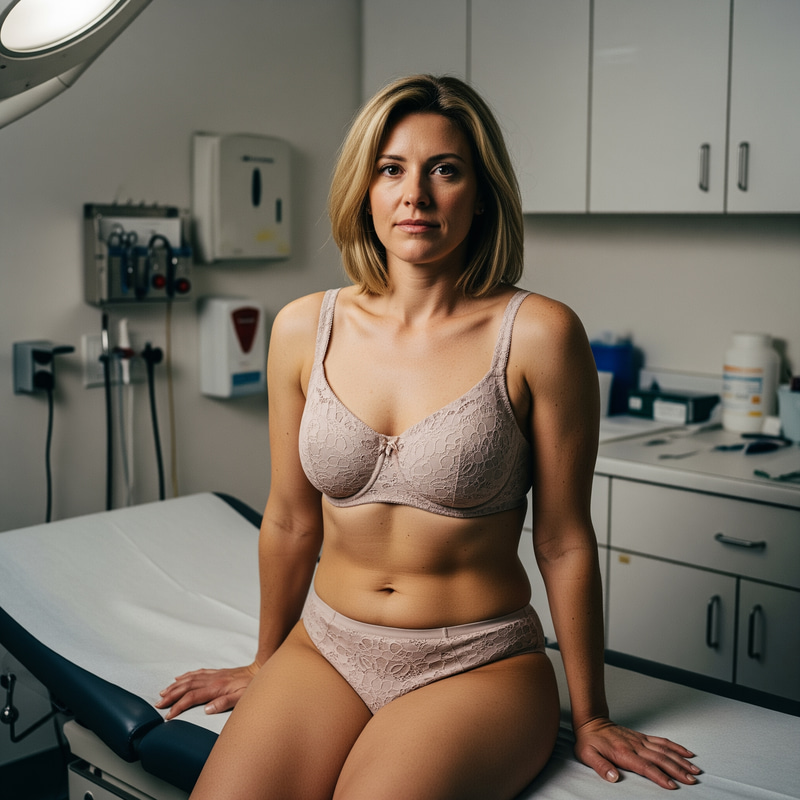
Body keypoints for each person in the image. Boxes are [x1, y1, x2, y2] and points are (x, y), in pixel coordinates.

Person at [158, 75, 700, 799]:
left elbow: (564, 539)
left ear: (482, 195)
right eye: (391, 170)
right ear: (365, 192)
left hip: (476, 663)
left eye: (445, 170)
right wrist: (265, 660)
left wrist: (593, 714)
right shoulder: (301, 328)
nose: (415, 194)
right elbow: (289, 519)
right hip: (326, 646)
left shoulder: (539, 335)